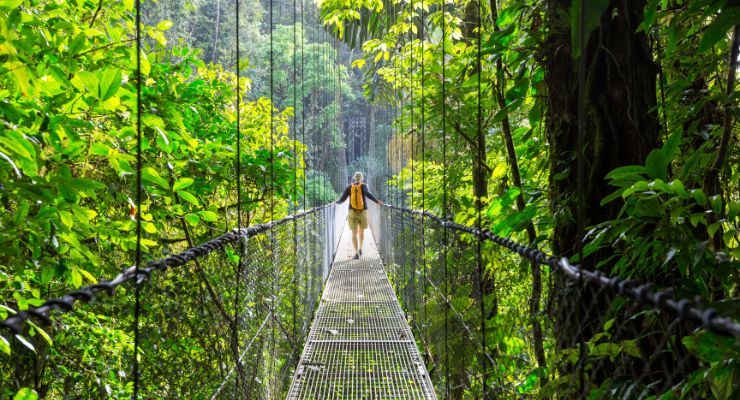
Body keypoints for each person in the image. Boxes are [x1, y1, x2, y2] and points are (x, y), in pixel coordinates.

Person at [336, 172, 383, 259]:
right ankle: (361, 248)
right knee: (361, 231)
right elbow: (368, 194)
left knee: (354, 233)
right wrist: (376, 201)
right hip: (363, 211)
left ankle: (356, 252)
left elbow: (343, 198)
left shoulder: (350, 187)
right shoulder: (364, 186)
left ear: (354, 178)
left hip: (352, 211)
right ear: (362, 179)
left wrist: (336, 203)